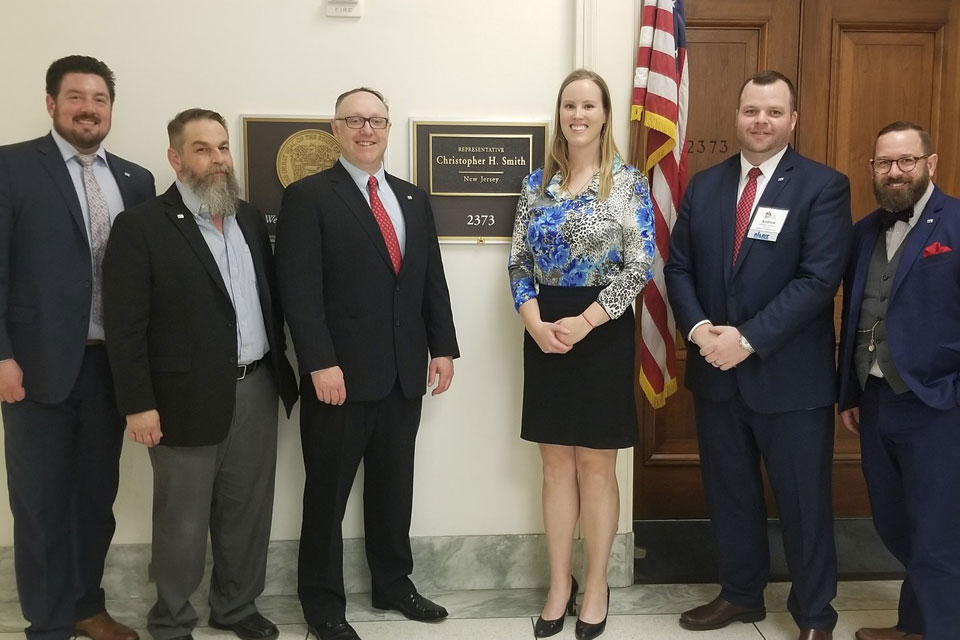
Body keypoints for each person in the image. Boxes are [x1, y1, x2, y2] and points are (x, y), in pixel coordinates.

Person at [664, 70, 852, 640]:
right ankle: (741, 595)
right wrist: (699, 332)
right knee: (731, 495)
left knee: (805, 504)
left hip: (790, 381)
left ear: (793, 119)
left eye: (774, 111)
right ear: (737, 115)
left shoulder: (823, 186)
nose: (761, 121)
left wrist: (742, 340)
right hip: (717, 376)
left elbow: (818, 281)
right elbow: (678, 268)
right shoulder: (704, 186)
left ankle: (815, 614)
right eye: (751, 110)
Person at [102, 108, 298, 640]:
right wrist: (137, 403)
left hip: (256, 386)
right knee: (182, 522)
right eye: (202, 149)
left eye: (222, 148)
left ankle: (236, 608)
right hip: (180, 398)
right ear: (176, 158)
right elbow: (125, 328)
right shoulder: (142, 226)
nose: (217, 160)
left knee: (247, 511)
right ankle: (170, 621)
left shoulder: (249, 218)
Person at [274, 87, 460, 640]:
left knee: (392, 488)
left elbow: (430, 282)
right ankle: (323, 603)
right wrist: (319, 364)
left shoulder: (411, 198)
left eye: (376, 120)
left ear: (388, 128)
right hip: (339, 380)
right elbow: (298, 292)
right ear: (335, 129)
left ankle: (393, 584)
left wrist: (443, 347)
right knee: (326, 496)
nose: (366, 129)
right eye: (354, 120)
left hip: (404, 375)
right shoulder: (309, 196)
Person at [0, 55, 155, 640]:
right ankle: (48, 621)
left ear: (110, 108)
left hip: (110, 369)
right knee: (40, 503)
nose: (88, 109)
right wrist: (1, 354)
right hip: (33, 367)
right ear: (51, 104)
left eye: (99, 99)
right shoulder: (11, 167)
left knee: (96, 498)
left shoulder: (136, 180)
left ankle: (88, 606)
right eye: (76, 98)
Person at [508, 69, 655, 640]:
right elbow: (519, 263)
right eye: (570, 104)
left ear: (604, 113)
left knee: (596, 467)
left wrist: (586, 320)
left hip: (603, 332)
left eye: (588, 105)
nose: (578, 114)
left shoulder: (628, 184)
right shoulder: (535, 184)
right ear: (560, 113)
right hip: (544, 330)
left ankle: (596, 584)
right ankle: (559, 584)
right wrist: (537, 324)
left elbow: (638, 268)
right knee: (554, 467)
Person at [837, 121, 960, 640]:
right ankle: (915, 624)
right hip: (876, 399)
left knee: (936, 535)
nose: (895, 172)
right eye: (884, 163)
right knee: (893, 521)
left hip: (938, 403)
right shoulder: (863, 232)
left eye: (906, 161)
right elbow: (852, 316)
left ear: (929, 165)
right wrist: (850, 391)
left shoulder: (955, 223)